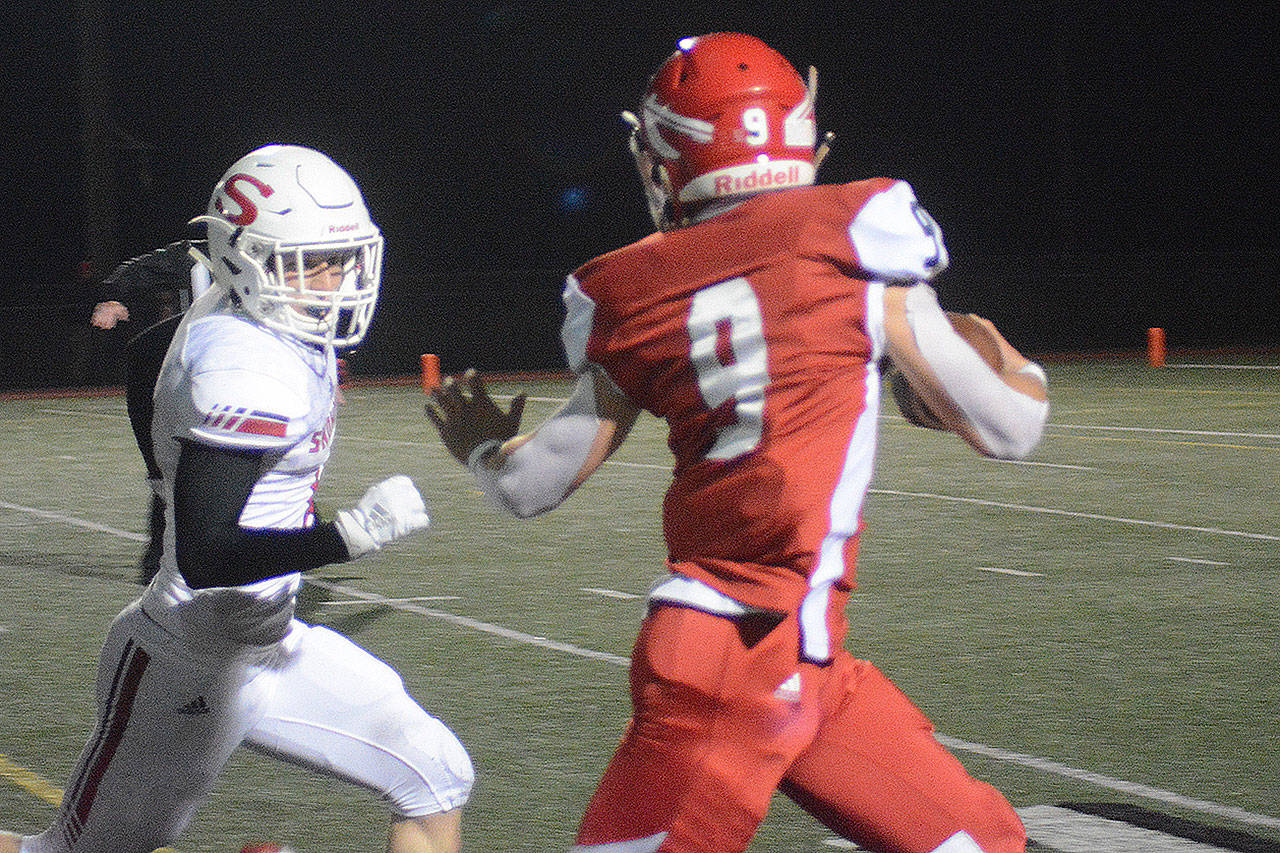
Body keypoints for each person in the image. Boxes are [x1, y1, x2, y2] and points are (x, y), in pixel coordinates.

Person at [425, 33, 1047, 853]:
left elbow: (529, 486)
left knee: (985, 843)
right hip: (738, 657)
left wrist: (481, 450)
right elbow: (1012, 427)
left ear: (666, 157)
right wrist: (1007, 356)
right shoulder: (856, 236)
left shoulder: (635, 286)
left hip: (798, 662)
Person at [1, 144, 472, 853]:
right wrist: (346, 535)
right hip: (184, 657)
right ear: (245, 258)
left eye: (340, 256)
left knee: (437, 777)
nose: (334, 277)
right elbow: (207, 553)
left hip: (269, 640)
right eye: (310, 260)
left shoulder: (267, 318)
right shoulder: (240, 363)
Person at [91, 241, 212, 583]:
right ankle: (159, 553)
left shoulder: (269, 260)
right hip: (190, 371)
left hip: (237, 367)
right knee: (170, 468)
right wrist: (113, 296)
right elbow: (136, 270)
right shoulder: (194, 255)